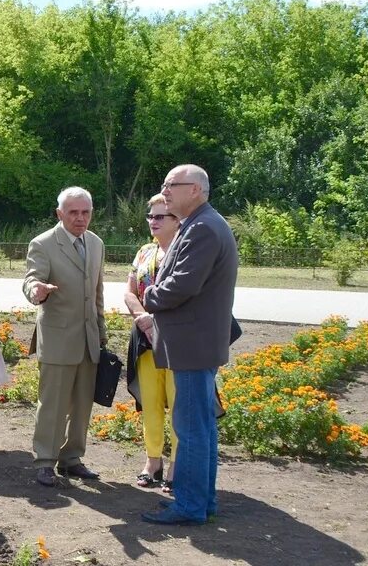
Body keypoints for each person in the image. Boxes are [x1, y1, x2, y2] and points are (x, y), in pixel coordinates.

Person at [140, 165, 238, 526]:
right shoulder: (200, 225)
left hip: (193, 345)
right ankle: (203, 501)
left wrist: (149, 294)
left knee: (192, 428)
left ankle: (190, 506)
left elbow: (182, 284)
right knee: (201, 426)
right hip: (196, 342)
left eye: (171, 185)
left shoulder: (204, 229)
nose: (164, 191)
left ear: (194, 189)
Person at [22, 186, 106, 487]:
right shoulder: (43, 243)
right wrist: (37, 292)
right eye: (73, 212)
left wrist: (102, 333)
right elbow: (32, 280)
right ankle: (45, 460)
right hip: (58, 338)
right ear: (60, 213)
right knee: (53, 404)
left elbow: (97, 293)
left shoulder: (96, 244)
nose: (80, 218)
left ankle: (72, 458)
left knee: (83, 404)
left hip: (88, 339)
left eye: (86, 212)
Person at [124, 194, 179, 492]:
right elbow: (130, 291)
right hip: (144, 336)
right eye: (151, 216)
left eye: (160, 217)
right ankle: (152, 462)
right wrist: (142, 317)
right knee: (151, 401)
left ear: (176, 220)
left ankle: (176, 466)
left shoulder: (186, 250)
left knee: (179, 402)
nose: (153, 221)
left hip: (177, 338)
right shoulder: (145, 251)